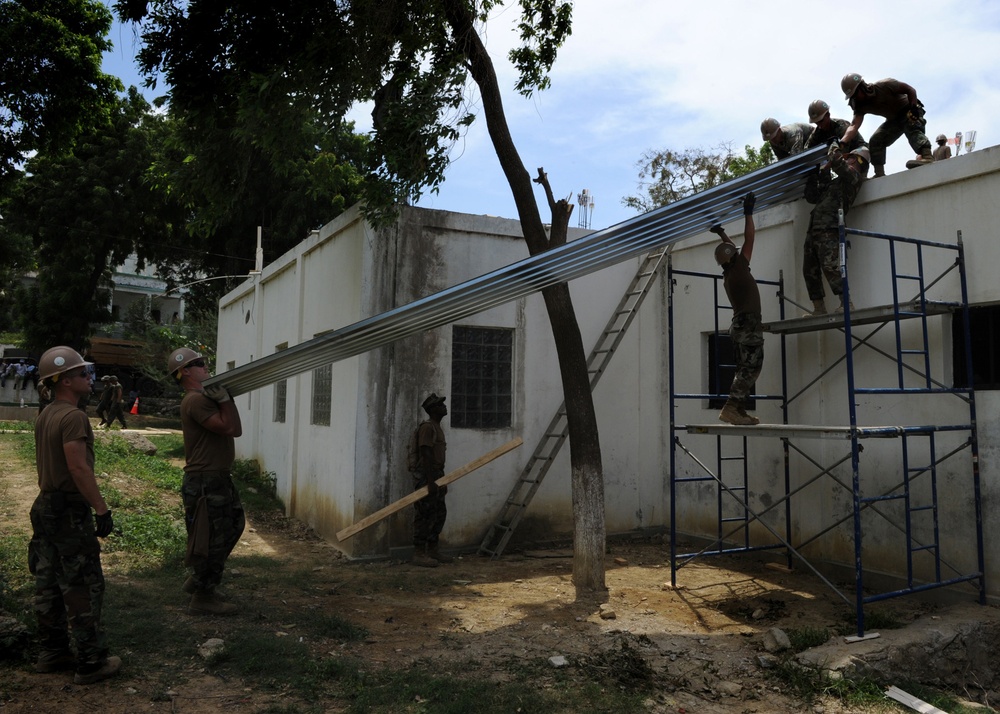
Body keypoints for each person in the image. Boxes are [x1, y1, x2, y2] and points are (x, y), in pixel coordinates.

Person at [29, 346, 120, 684]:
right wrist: (101, 508)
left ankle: (52, 652)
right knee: (82, 583)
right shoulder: (73, 416)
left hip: (46, 505)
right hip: (68, 509)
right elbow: (78, 467)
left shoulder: (47, 413)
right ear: (65, 380)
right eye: (83, 373)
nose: (89, 377)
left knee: (48, 580)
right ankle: (91, 661)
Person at [168, 347, 244, 615]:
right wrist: (225, 400)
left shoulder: (203, 397)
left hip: (216, 478)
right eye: (199, 364)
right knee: (212, 537)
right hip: (205, 481)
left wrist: (225, 399)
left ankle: (202, 580)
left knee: (234, 525)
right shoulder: (196, 401)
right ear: (185, 372)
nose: (205, 366)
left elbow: (235, 428)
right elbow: (233, 429)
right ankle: (203, 595)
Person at [709, 192, 762, 427]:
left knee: (743, 368)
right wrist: (748, 213)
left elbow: (730, 248)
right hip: (748, 325)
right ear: (734, 257)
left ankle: (738, 411)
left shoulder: (730, 272)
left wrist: (721, 232)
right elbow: (749, 239)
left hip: (739, 325)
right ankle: (731, 408)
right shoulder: (739, 269)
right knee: (752, 367)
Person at [802, 144, 872, 316]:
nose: (845, 158)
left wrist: (834, 146)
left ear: (855, 159)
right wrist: (822, 172)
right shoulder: (837, 182)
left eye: (848, 157)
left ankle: (846, 303)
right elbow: (813, 197)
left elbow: (837, 161)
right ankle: (819, 308)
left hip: (830, 228)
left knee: (832, 267)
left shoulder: (854, 177)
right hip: (815, 228)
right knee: (809, 269)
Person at [839, 73, 933, 178]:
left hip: (909, 110)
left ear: (862, 87)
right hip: (894, 120)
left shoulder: (884, 85)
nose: (856, 98)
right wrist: (843, 141)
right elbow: (854, 125)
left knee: (911, 126)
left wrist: (913, 107)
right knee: (876, 140)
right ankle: (879, 173)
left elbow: (910, 90)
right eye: (852, 97)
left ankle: (927, 156)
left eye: (856, 94)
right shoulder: (859, 105)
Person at [411, 393, 452, 567]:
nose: (444, 407)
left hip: (436, 474)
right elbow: (426, 453)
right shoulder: (428, 427)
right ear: (432, 410)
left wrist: (440, 480)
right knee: (425, 514)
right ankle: (419, 553)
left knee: (439, 513)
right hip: (428, 476)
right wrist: (430, 482)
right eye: (440, 405)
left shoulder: (437, 426)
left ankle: (433, 549)